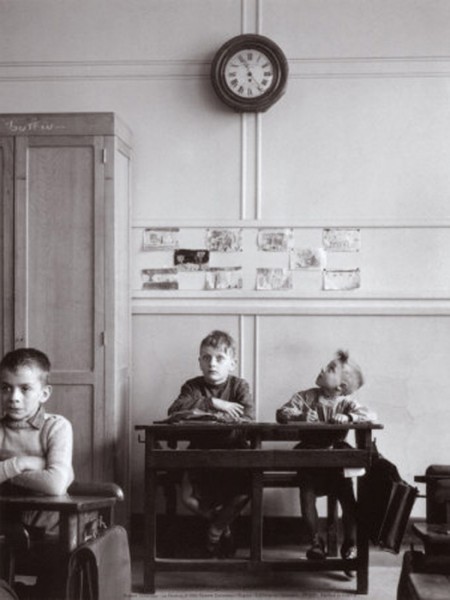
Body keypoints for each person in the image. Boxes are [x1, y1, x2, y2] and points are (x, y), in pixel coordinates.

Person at [276, 350, 376, 564]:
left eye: (330, 369)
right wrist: (300, 416)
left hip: (335, 461)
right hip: (309, 458)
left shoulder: (346, 403)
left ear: (341, 388)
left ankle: (350, 544)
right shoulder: (305, 397)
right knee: (306, 494)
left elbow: (371, 415)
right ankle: (315, 542)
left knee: (348, 499)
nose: (322, 369)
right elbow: (282, 413)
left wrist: (349, 417)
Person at [168, 330, 254, 558]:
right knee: (187, 498)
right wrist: (214, 403)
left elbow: (247, 419)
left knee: (247, 489)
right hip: (200, 455)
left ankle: (215, 530)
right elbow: (175, 411)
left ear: (232, 364)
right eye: (206, 358)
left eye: (219, 358)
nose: (212, 363)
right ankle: (223, 524)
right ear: (199, 362)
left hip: (234, 455)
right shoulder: (192, 386)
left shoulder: (239, 387)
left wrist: (202, 413)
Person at [0, 348, 74, 598]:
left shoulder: (56, 426)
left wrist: (5, 467)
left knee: (55, 585)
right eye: (6, 388)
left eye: (25, 388)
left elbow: (55, 484)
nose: (14, 397)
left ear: (44, 393)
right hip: (5, 527)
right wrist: (23, 462)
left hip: (52, 529)